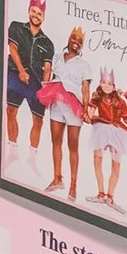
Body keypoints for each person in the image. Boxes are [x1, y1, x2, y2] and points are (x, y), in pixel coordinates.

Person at [39, 26, 90, 200]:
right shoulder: (57, 57)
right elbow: (48, 74)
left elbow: (85, 88)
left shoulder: (84, 65)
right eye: (74, 38)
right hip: (57, 104)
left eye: (80, 41)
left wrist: (86, 109)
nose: (76, 42)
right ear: (69, 39)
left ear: (82, 46)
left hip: (74, 107)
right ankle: (57, 178)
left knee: (73, 146)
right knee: (56, 141)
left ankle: (73, 186)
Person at [5, 0, 56, 149]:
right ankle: (12, 148)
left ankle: (32, 157)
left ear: (43, 17)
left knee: (38, 120)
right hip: (16, 73)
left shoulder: (48, 43)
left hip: (36, 82)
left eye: (39, 13)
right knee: (11, 110)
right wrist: (21, 71)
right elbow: (12, 49)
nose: (36, 15)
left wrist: (45, 88)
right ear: (28, 11)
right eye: (33, 11)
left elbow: (47, 68)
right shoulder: (16, 27)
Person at [86, 68, 127, 212]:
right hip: (101, 129)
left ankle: (110, 196)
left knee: (116, 164)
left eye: (109, 83)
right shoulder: (97, 97)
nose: (106, 85)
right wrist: (88, 115)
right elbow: (91, 113)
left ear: (114, 86)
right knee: (97, 160)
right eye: (104, 82)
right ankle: (101, 193)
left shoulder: (119, 101)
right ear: (100, 83)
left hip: (116, 132)